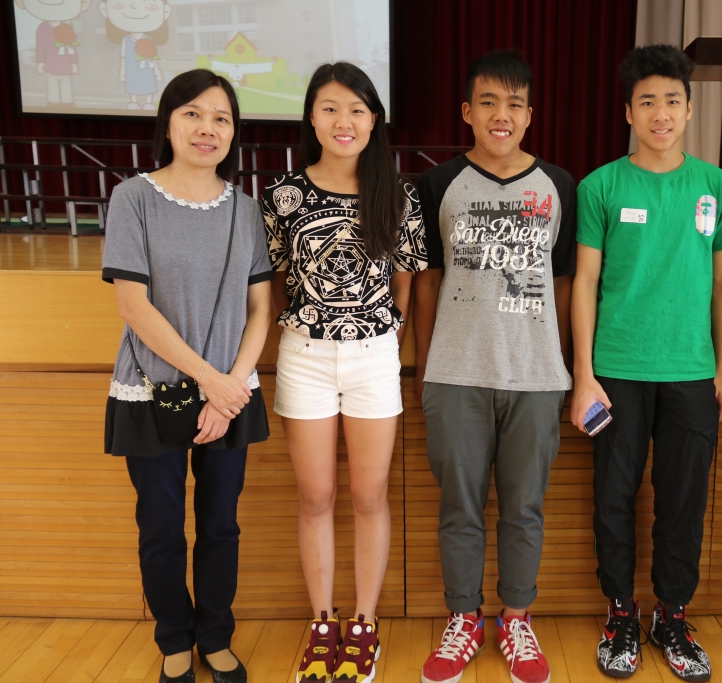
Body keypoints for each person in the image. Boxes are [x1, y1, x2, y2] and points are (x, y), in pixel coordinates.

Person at [572, 44, 722, 681]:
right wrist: (584, 373)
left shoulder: (718, 187)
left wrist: (721, 373)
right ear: (628, 112)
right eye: (647, 101)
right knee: (613, 498)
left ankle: (672, 615)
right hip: (616, 371)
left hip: (692, 373)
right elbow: (584, 281)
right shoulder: (600, 186)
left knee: (683, 502)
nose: (661, 113)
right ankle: (621, 612)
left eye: (672, 100)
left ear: (690, 109)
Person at [102, 69, 273, 683]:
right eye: (193, 114)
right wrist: (211, 380)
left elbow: (261, 310)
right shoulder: (133, 198)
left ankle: (215, 636)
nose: (208, 128)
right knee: (160, 527)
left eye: (221, 118)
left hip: (231, 393)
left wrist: (230, 390)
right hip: (151, 391)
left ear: (233, 132)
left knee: (221, 525)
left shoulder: (246, 210)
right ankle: (173, 638)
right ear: (168, 123)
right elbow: (133, 305)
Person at [414, 50, 576, 683]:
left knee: (524, 507)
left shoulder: (559, 185)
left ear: (530, 115)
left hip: (535, 377)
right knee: (459, 507)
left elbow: (563, 283)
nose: (500, 115)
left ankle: (516, 620)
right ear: (467, 111)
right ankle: (464, 619)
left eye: (513, 104)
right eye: (488, 102)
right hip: (455, 375)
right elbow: (427, 282)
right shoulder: (437, 184)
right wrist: (425, 366)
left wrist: (563, 361)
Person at [263, 62, 427, 683]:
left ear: (374, 119)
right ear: (311, 116)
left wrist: (384, 336)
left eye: (357, 109)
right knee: (315, 497)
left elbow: (406, 281)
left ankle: (363, 624)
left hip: (375, 357)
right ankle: (322, 624)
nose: (344, 121)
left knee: (368, 496)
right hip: (304, 357)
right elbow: (275, 279)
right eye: (330, 108)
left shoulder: (398, 193)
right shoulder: (282, 194)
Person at [14, 0, 91, 106]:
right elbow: (40, 46)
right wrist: (40, 62)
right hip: (50, 67)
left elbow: (72, 46)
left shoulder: (67, 27)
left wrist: (74, 63)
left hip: (66, 66)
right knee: (52, 93)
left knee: (67, 93)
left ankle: (68, 109)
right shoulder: (42, 28)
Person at [100, 0, 170, 110]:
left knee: (148, 84)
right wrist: (122, 72)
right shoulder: (125, 39)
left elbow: (152, 57)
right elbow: (123, 57)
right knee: (132, 85)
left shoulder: (148, 39)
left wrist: (157, 71)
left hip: (147, 69)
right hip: (131, 69)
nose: (134, 7)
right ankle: (133, 102)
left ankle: (148, 102)